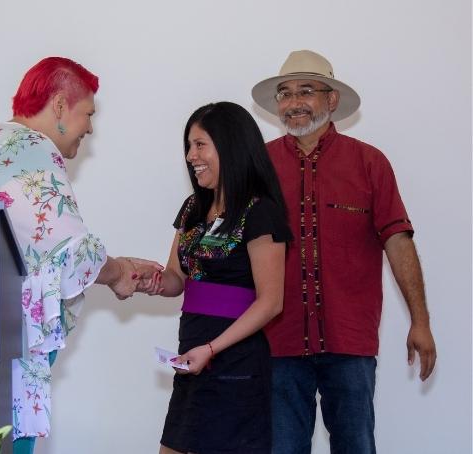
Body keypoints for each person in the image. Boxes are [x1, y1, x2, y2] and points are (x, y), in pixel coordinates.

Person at [0, 56, 161, 453]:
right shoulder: (30, 149)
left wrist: (113, 264)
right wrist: (117, 273)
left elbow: (41, 249)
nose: (91, 128)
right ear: (60, 105)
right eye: (87, 114)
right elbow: (73, 255)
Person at [251, 49, 437, 453]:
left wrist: (420, 321)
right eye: (285, 93)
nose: (293, 102)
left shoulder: (370, 163)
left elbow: (397, 241)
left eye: (306, 91)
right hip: (276, 341)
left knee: (356, 446)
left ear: (331, 100)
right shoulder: (258, 167)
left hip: (349, 342)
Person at [141, 102, 292, 454]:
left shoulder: (260, 212)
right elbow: (177, 278)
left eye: (200, 145)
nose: (191, 156)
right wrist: (148, 280)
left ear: (230, 145)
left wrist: (212, 349)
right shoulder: (192, 208)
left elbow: (271, 302)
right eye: (189, 147)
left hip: (235, 363)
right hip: (193, 357)